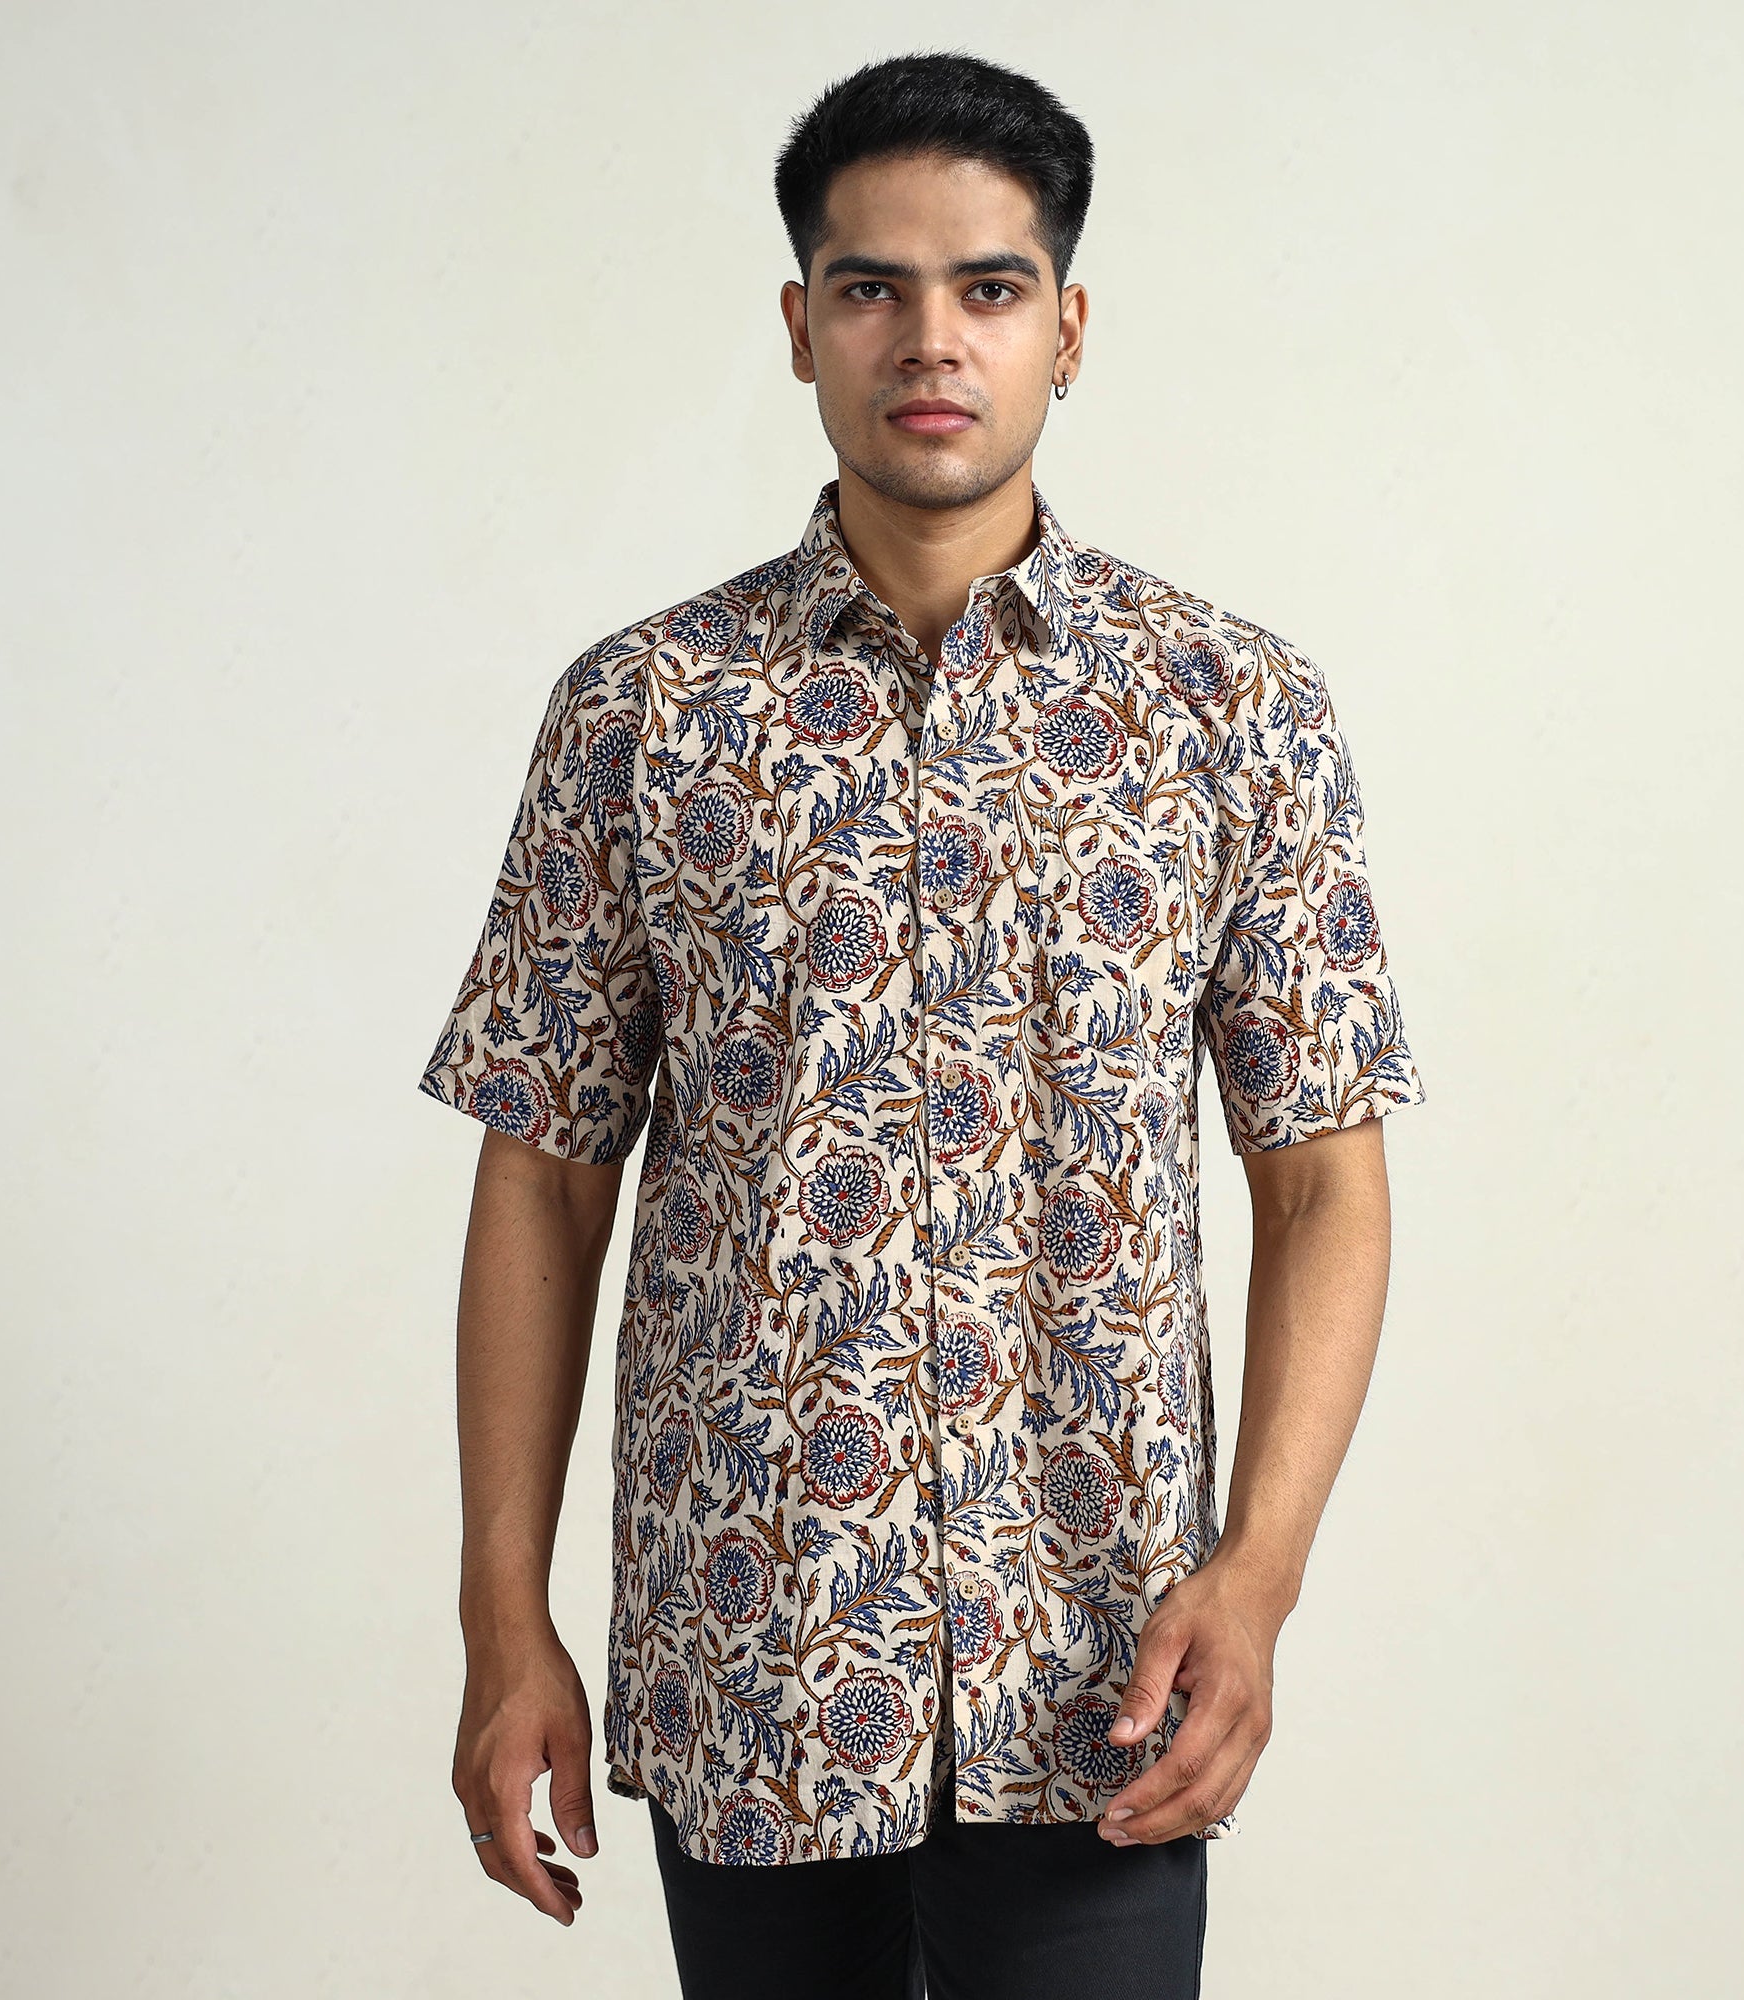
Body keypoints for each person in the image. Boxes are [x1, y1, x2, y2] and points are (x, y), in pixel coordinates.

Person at [418, 48, 1426, 2000]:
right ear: (803, 325)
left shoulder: (1230, 709)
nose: (931, 338)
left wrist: (1259, 1575)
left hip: (1103, 1666)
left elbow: (1322, 1183)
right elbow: (541, 1180)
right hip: (756, 1649)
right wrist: (500, 1617)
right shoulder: (646, 713)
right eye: (872, 286)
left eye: (989, 286)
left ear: (1068, 328)